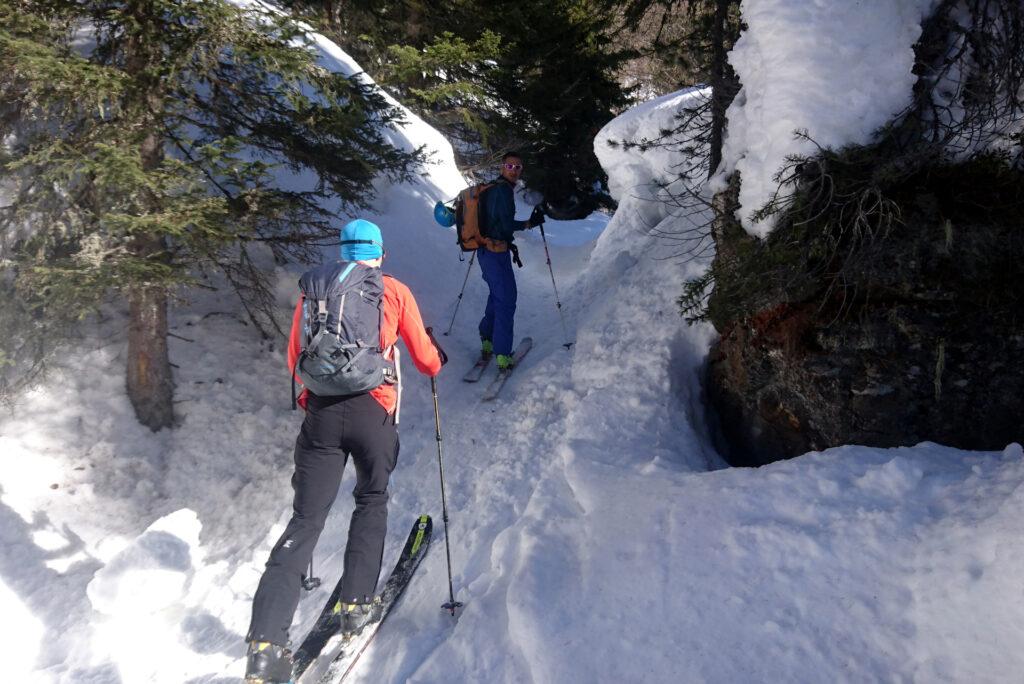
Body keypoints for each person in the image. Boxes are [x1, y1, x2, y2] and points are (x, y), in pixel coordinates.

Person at [244, 219, 445, 683]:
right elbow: (425, 357)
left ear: (343, 250)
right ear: (380, 253)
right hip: (373, 414)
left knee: (305, 521)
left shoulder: (315, 291)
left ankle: (265, 645)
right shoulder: (391, 290)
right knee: (371, 500)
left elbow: (296, 355)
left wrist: (311, 406)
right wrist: (436, 359)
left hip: (321, 415)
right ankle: (356, 605)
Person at [477, 152, 544, 369]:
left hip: (486, 253)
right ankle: (502, 354)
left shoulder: (493, 187)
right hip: (495, 254)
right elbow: (504, 225)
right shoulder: (502, 191)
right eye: (509, 166)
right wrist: (528, 224)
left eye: (517, 167)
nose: (513, 170)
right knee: (506, 300)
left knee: (497, 296)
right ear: (501, 167)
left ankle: (487, 341)